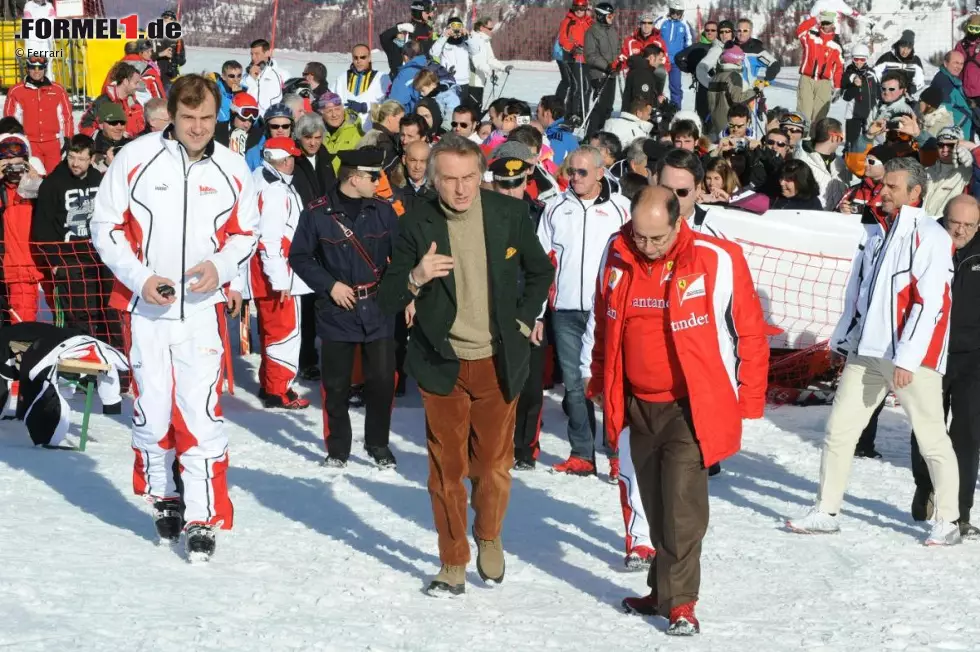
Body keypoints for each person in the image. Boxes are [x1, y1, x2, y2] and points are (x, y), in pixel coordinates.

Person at [376, 134, 554, 596]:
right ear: (434, 180)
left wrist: (522, 319)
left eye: (469, 178)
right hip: (442, 363)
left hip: (498, 360)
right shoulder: (416, 224)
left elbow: (540, 270)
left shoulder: (509, 214)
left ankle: (489, 534)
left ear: (482, 175)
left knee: (493, 466)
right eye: (450, 179)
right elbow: (388, 297)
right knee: (445, 470)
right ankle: (452, 560)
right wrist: (416, 278)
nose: (461, 189)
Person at [90, 74, 259, 561]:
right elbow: (105, 226)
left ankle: (203, 514)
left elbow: (245, 235)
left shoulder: (231, 167)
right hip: (148, 310)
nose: (198, 127)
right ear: (171, 114)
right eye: (189, 118)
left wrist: (221, 266)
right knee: (154, 408)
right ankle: (165, 494)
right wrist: (139, 275)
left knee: (202, 412)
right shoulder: (136, 158)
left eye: (207, 118)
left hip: (202, 313)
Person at [588, 185, 768, 636]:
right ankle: (660, 591)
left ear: (677, 223)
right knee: (654, 503)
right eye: (640, 236)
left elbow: (750, 330)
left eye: (657, 239)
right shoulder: (617, 248)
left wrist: (749, 398)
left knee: (683, 510)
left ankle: (683, 603)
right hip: (637, 403)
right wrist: (598, 379)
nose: (646, 247)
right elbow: (604, 321)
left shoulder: (715, 257)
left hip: (691, 407)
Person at [787, 157, 962, 547]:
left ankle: (948, 521)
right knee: (838, 431)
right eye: (884, 186)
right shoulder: (876, 232)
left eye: (893, 187)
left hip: (910, 359)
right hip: (866, 351)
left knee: (932, 438)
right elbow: (859, 293)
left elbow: (930, 304)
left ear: (915, 193)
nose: (883, 192)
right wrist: (841, 340)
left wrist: (907, 358)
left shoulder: (930, 237)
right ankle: (826, 511)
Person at [289, 148, 400, 469]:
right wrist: (330, 285)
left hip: (377, 306)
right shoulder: (317, 213)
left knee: (381, 382)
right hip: (337, 309)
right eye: (373, 176)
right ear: (353, 178)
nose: (379, 181)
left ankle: (378, 444)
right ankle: (338, 449)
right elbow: (300, 257)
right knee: (336, 385)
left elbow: (400, 256)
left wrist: (397, 296)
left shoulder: (383, 211)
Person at [539, 145, 630, 477]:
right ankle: (582, 453)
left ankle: (619, 453)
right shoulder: (554, 208)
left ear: (600, 173)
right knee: (575, 385)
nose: (574, 178)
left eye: (581, 172)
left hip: (607, 312)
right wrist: (538, 313)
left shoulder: (622, 209)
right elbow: (541, 263)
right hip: (565, 310)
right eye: (570, 172)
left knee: (612, 383)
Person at [909, 195, 980, 536]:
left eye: (969, 225)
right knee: (927, 427)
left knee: (966, 434)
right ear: (944, 219)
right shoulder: (926, 241)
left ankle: (960, 512)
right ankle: (925, 487)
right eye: (956, 223)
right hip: (929, 352)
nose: (961, 230)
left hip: (973, 356)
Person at [486, 155, 548, 470]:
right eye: (504, 185)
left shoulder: (541, 216)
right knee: (491, 384)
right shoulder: (478, 216)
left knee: (530, 385)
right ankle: (492, 443)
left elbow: (547, 268)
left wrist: (537, 314)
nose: (511, 192)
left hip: (529, 309)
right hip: (488, 311)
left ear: (526, 182)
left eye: (516, 184)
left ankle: (524, 448)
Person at [249, 136, 314, 409]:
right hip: (279, 273)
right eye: (292, 158)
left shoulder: (260, 179)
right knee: (284, 333)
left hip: (271, 272)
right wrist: (279, 279)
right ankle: (279, 390)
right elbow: (271, 239)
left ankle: (271, 384)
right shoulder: (275, 189)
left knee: (273, 330)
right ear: (284, 160)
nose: (294, 163)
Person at [3, 54, 74, 175]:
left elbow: (66, 116)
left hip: (52, 143)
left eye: (40, 68)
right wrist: (14, 140)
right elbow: (9, 119)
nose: (37, 72)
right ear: (27, 69)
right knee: (35, 177)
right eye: (33, 68)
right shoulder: (17, 90)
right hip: (30, 143)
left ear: (45, 69)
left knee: (56, 176)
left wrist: (68, 139)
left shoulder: (57, 89)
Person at [0, 137, 41, 324]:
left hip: (29, 266)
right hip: (11, 265)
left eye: (18, 164)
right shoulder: (2, 190)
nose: (14, 170)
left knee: (24, 322)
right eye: (8, 165)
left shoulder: (36, 188)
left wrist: (37, 180)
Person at [795, 11, 843, 125]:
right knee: (804, 112)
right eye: (824, 22)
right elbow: (800, 30)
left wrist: (837, 86)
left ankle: (814, 140)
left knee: (820, 115)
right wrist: (815, 19)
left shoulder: (836, 46)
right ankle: (803, 140)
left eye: (828, 23)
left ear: (833, 25)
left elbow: (839, 68)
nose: (825, 25)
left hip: (824, 83)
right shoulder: (810, 37)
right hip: (807, 79)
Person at [78, 62, 146, 139]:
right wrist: (108, 135)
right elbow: (84, 126)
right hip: (111, 149)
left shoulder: (135, 102)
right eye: (136, 83)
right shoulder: (104, 102)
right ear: (125, 82)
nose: (138, 86)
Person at [797, 117, 851, 209]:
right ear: (834, 137)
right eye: (841, 138)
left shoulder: (840, 163)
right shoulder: (802, 161)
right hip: (811, 217)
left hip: (837, 219)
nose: (840, 142)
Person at [583, 3, 620, 138]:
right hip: (599, 74)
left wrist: (618, 62)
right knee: (599, 108)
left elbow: (617, 49)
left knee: (608, 108)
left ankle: (601, 137)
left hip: (611, 74)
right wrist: (606, 66)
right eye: (609, 16)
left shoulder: (612, 31)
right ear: (600, 16)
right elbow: (590, 55)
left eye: (613, 16)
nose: (612, 18)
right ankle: (590, 137)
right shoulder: (592, 31)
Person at [706, 46, 757, 141]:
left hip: (715, 122)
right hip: (731, 123)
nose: (742, 62)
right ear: (735, 59)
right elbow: (737, 99)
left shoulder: (715, 77)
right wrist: (755, 91)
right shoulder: (734, 76)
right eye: (741, 59)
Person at [335, 44, 389, 131]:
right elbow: (334, 101)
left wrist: (366, 107)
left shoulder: (382, 78)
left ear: (369, 58)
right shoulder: (342, 78)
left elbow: (388, 105)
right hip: (347, 130)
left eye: (363, 57)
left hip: (370, 130)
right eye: (355, 58)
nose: (358, 61)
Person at [923, 127, 972, 217]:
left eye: (950, 145)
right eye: (941, 145)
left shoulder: (968, 174)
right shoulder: (926, 171)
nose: (945, 149)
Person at [292, 113, 338, 207]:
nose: (313, 143)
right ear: (299, 136)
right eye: (308, 138)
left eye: (317, 138)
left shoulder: (326, 158)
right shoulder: (292, 160)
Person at [557, 0, 593, 120]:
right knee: (576, 86)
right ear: (573, 7)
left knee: (587, 87)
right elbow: (563, 39)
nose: (579, 10)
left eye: (582, 8)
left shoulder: (590, 22)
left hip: (586, 59)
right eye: (577, 7)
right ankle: (572, 113)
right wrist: (572, 48)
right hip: (572, 58)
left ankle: (583, 112)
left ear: (586, 9)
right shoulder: (568, 21)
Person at [654, 2, 693, 107]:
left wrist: (685, 56)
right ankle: (654, 107)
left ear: (682, 13)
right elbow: (653, 35)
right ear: (669, 11)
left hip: (676, 60)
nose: (675, 15)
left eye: (678, 13)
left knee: (675, 86)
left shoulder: (684, 24)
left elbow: (689, 41)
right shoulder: (662, 21)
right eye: (673, 12)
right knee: (657, 85)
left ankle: (676, 109)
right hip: (661, 59)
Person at [468, 17, 511, 108]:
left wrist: (503, 67)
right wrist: (491, 73)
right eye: (490, 28)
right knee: (473, 111)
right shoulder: (475, 40)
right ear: (481, 28)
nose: (492, 31)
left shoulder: (485, 40)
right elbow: (478, 62)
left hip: (480, 81)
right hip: (473, 82)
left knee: (477, 109)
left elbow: (490, 59)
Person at [841, 43, 878, 149]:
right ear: (852, 59)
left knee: (868, 140)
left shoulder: (871, 74)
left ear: (866, 59)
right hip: (853, 114)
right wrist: (854, 84)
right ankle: (849, 158)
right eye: (856, 59)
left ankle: (867, 159)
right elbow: (845, 95)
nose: (859, 62)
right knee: (852, 142)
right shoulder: (848, 73)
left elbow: (877, 91)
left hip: (869, 113)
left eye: (862, 60)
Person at [927, 51, 971, 139]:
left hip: (960, 134)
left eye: (961, 64)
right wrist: (948, 137)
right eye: (956, 63)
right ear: (945, 63)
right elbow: (941, 115)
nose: (959, 67)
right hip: (953, 139)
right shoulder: (944, 84)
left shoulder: (951, 80)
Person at [318, 92, 362, 174]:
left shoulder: (358, 132)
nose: (334, 115)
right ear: (322, 113)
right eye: (329, 111)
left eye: (337, 109)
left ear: (342, 108)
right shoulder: (317, 133)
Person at [245, 102, 295, 172]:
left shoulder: (298, 152)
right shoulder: (253, 153)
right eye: (275, 126)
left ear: (291, 128)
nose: (280, 130)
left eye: (285, 126)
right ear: (267, 128)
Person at [621, 44, 668, 118]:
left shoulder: (643, 70)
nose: (660, 63)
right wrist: (657, 102)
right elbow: (641, 101)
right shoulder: (643, 73)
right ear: (652, 57)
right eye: (659, 59)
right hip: (635, 120)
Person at [874, 30, 925, 95]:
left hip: (906, 98)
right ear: (898, 45)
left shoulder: (916, 60)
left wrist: (912, 89)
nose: (905, 51)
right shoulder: (886, 58)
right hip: (888, 97)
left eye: (909, 48)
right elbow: (874, 76)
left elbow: (920, 81)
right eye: (903, 47)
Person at [431, 18, 473, 98]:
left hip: (464, 82)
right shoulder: (443, 42)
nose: (456, 33)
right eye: (454, 29)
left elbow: (476, 51)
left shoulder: (465, 43)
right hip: (447, 81)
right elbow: (433, 53)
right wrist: (445, 36)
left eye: (458, 29)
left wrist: (468, 37)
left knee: (462, 108)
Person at [242, 39, 286, 115]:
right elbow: (243, 97)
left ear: (267, 53)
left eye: (257, 54)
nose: (253, 58)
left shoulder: (281, 74)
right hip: (249, 119)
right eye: (251, 54)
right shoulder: (246, 74)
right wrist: (251, 79)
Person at [536, 95, 580, 165]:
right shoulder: (565, 134)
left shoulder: (556, 139)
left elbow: (551, 168)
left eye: (537, 111)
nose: (536, 116)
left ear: (547, 113)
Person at [155, 9, 186, 91]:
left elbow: (183, 60)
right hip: (156, 76)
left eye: (171, 19)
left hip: (172, 77)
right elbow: (145, 55)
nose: (168, 20)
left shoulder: (178, 39)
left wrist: (178, 59)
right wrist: (161, 54)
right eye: (166, 17)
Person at [955, 15, 980, 109]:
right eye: (971, 28)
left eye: (977, 29)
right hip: (964, 91)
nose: (973, 31)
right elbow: (954, 65)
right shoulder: (961, 45)